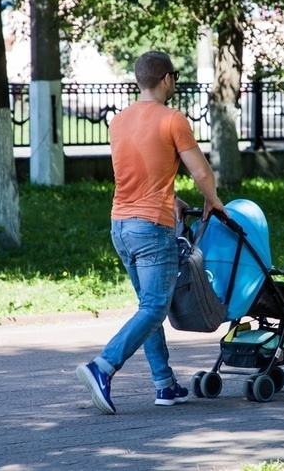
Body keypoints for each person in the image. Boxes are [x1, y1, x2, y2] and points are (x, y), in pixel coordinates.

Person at [76, 51, 226, 414]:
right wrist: (213, 201)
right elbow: (202, 173)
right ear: (166, 79)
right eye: (173, 76)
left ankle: (165, 384)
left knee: (149, 307)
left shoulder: (120, 121)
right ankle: (103, 366)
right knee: (155, 307)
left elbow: (141, 170)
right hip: (150, 228)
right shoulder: (173, 119)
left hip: (120, 225)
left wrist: (171, 197)